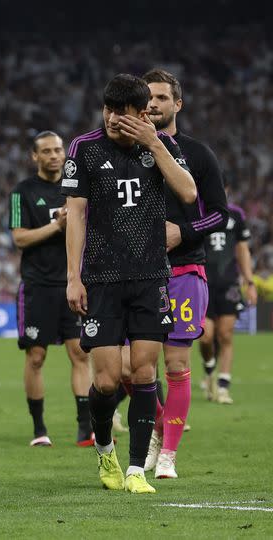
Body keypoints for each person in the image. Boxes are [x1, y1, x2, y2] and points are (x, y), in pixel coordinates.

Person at [62, 73, 196, 494]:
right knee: (104, 381)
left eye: (124, 113)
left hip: (151, 275)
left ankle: (137, 470)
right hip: (101, 278)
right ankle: (105, 447)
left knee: (143, 373)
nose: (115, 120)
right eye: (109, 111)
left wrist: (155, 143)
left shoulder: (160, 147)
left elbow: (189, 195)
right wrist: (73, 277)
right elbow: (76, 215)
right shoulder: (84, 149)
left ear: (142, 114)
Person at [133, 68, 229, 479]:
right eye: (147, 97)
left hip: (184, 269)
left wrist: (183, 231)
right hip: (135, 272)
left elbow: (220, 215)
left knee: (175, 366)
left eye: (160, 97)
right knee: (125, 368)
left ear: (177, 104)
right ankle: (159, 423)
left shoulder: (198, 153)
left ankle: (168, 454)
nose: (152, 103)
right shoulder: (123, 152)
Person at [8, 131, 91, 447]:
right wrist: (57, 225)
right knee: (37, 357)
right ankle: (39, 429)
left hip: (74, 284)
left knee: (79, 353)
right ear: (35, 156)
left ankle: (85, 428)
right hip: (37, 286)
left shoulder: (78, 188)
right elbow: (19, 239)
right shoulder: (22, 193)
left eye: (59, 150)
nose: (55, 155)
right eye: (47, 151)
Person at [199, 181, 256, 404]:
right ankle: (209, 368)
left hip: (229, 284)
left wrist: (249, 282)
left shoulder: (236, 215)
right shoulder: (197, 213)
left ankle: (223, 385)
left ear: (227, 191)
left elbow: (242, 249)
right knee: (205, 337)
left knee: (226, 334)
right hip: (203, 283)